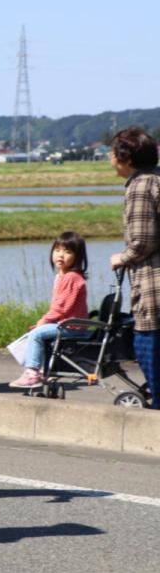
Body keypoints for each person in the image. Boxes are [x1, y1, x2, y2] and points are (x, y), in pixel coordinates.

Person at [108, 127, 160, 408]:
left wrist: (121, 257)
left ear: (125, 157)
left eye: (112, 152)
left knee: (147, 341)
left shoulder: (141, 186)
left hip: (153, 281)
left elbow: (143, 241)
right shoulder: (156, 178)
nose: (109, 157)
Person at [9, 232, 89, 388]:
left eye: (67, 252)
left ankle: (32, 373)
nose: (61, 255)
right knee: (39, 332)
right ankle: (46, 370)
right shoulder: (64, 276)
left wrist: (44, 321)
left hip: (72, 326)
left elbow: (61, 307)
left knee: (37, 333)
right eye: (57, 250)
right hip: (67, 324)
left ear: (77, 257)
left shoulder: (71, 277)